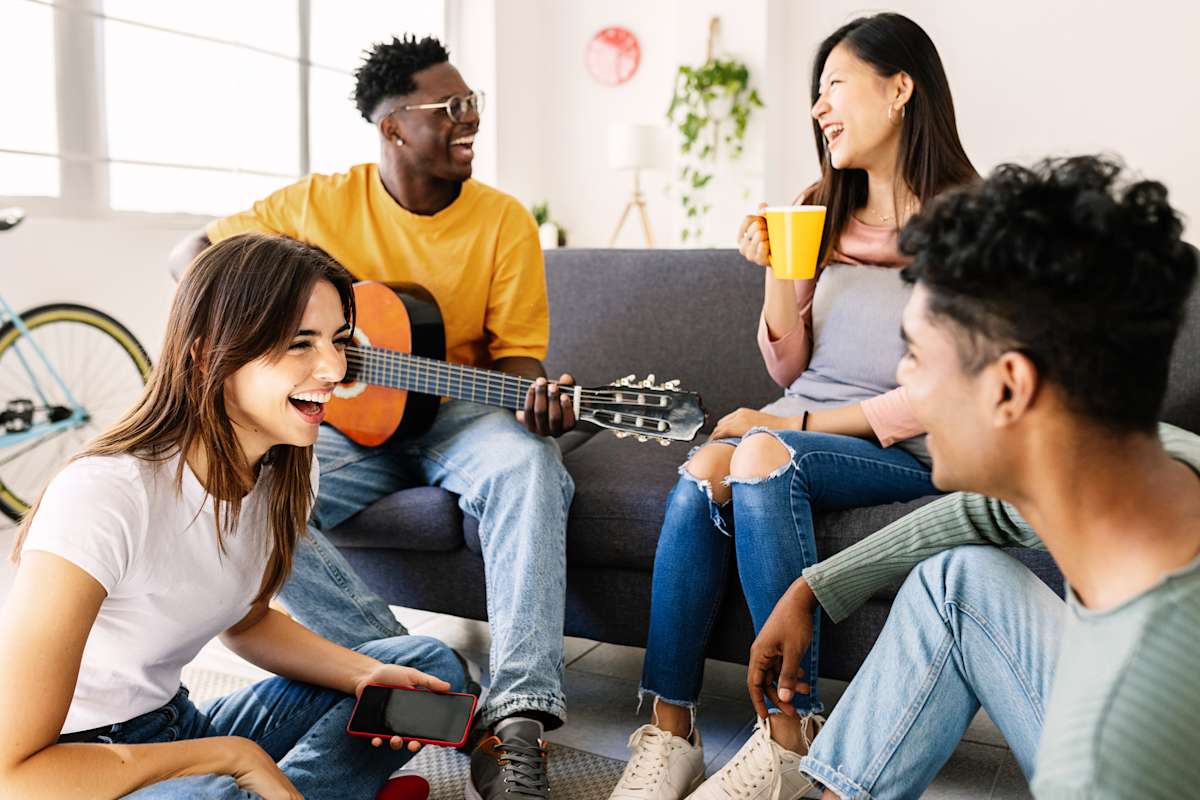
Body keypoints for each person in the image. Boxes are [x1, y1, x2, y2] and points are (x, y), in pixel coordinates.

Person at [167, 35, 573, 799]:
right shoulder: (316, 205)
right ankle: (426, 684)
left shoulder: (503, 221)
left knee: (531, 464)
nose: (470, 118)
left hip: (458, 414)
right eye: (450, 107)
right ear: (394, 127)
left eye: (473, 104)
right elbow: (192, 253)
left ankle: (517, 715)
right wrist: (271, 324)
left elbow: (519, 358)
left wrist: (535, 401)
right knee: (252, 491)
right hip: (340, 421)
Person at [749, 155, 1200, 799]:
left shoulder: (1105, 762)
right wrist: (812, 589)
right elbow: (981, 513)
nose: (901, 379)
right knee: (956, 579)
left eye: (915, 355)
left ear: (1008, 388)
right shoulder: (1148, 463)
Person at [609, 14, 976, 799]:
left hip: (906, 446)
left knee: (759, 453)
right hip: (799, 423)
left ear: (900, 88)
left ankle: (790, 730)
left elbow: (934, 397)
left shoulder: (967, 225)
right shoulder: (819, 207)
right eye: (817, 92)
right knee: (702, 472)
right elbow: (788, 366)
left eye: (835, 84)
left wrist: (788, 425)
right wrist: (779, 268)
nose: (819, 107)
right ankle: (670, 730)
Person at [0, 234, 466, 800]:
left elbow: (247, 622)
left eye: (338, 340)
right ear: (206, 353)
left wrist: (363, 675)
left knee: (426, 671)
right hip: (77, 765)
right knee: (217, 793)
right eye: (300, 343)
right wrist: (231, 755)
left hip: (174, 726)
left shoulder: (286, 473)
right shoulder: (104, 494)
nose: (335, 368)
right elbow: (15, 775)